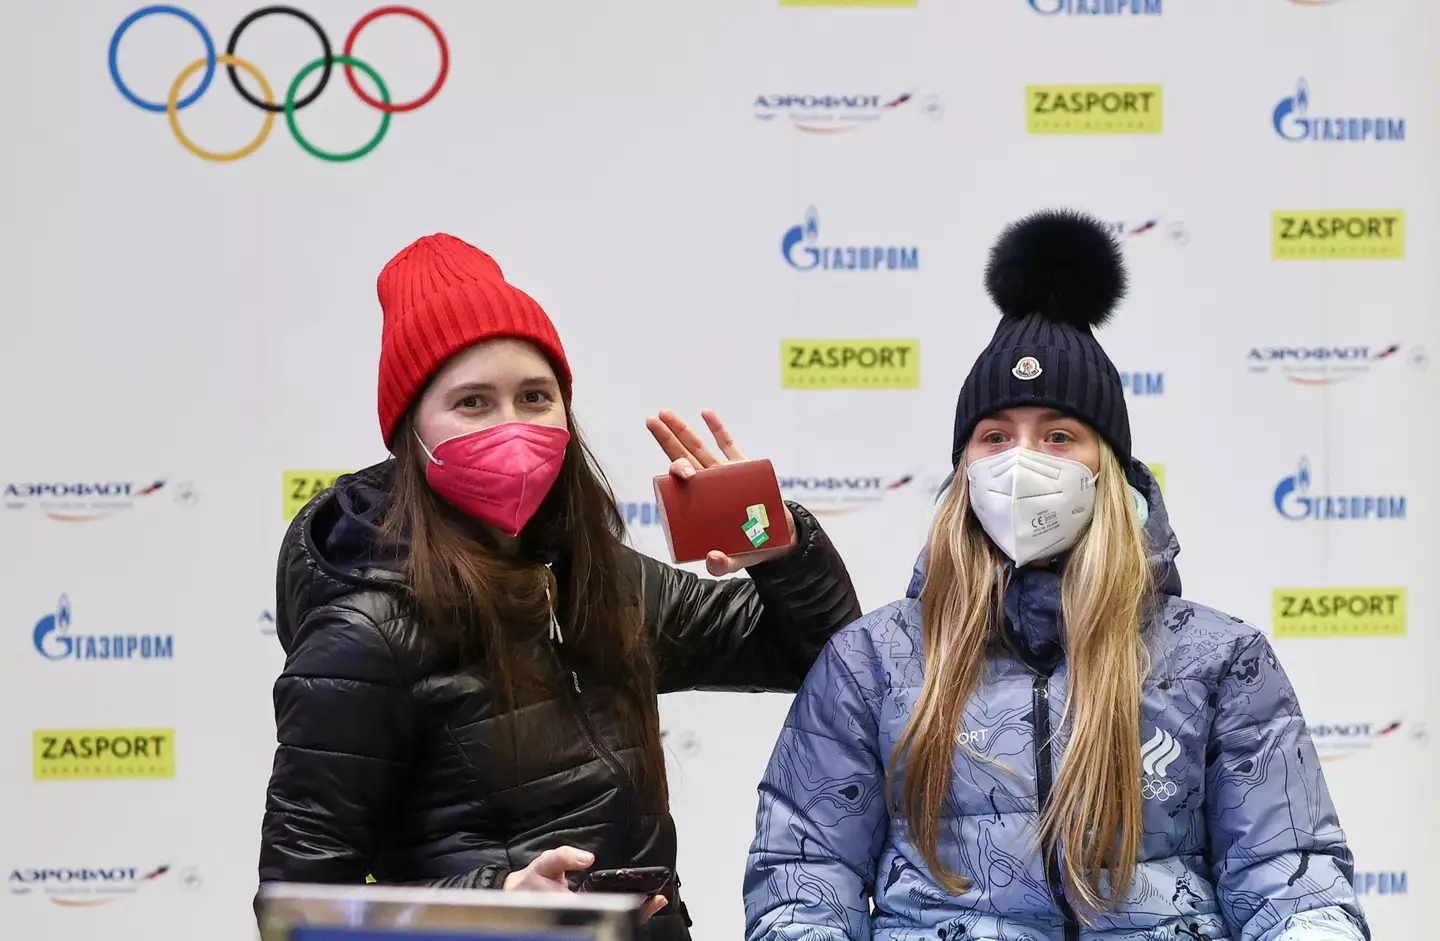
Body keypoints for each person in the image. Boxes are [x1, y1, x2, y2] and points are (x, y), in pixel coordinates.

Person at [743, 211, 1369, 941]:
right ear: (964, 468)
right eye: (996, 435)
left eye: (1059, 435)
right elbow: (803, 883)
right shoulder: (870, 661)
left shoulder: (1220, 658)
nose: (1024, 459)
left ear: (1110, 468)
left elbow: (1289, 879)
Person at [259, 233, 861, 941]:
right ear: (411, 433)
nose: (513, 426)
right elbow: (302, 908)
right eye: (473, 402)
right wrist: (501, 902)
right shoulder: (365, 633)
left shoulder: (593, 579)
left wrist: (775, 541)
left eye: (534, 396)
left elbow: (821, 657)